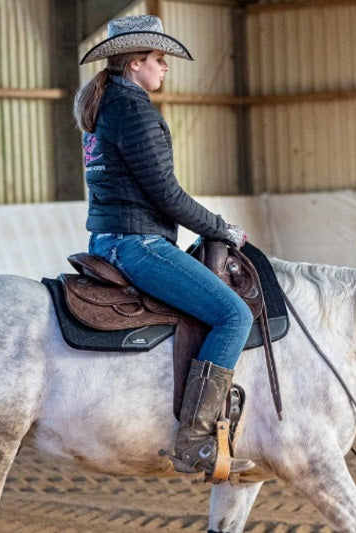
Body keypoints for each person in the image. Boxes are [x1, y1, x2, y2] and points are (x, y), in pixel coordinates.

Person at [74, 15, 255, 478]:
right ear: (135, 63)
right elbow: (166, 195)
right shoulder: (133, 111)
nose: (164, 68)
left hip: (109, 238)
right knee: (234, 315)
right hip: (137, 244)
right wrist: (223, 229)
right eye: (158, 59)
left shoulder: (105, 106)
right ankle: (195, 440)